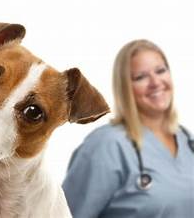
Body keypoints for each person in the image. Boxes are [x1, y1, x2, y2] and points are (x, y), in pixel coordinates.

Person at [62, 39, 194, 218]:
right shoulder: (106, 145)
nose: (155, 82)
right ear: (125, 87)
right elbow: (67, 214)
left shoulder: (187, 141)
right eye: (141, 77)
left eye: (161, 70)